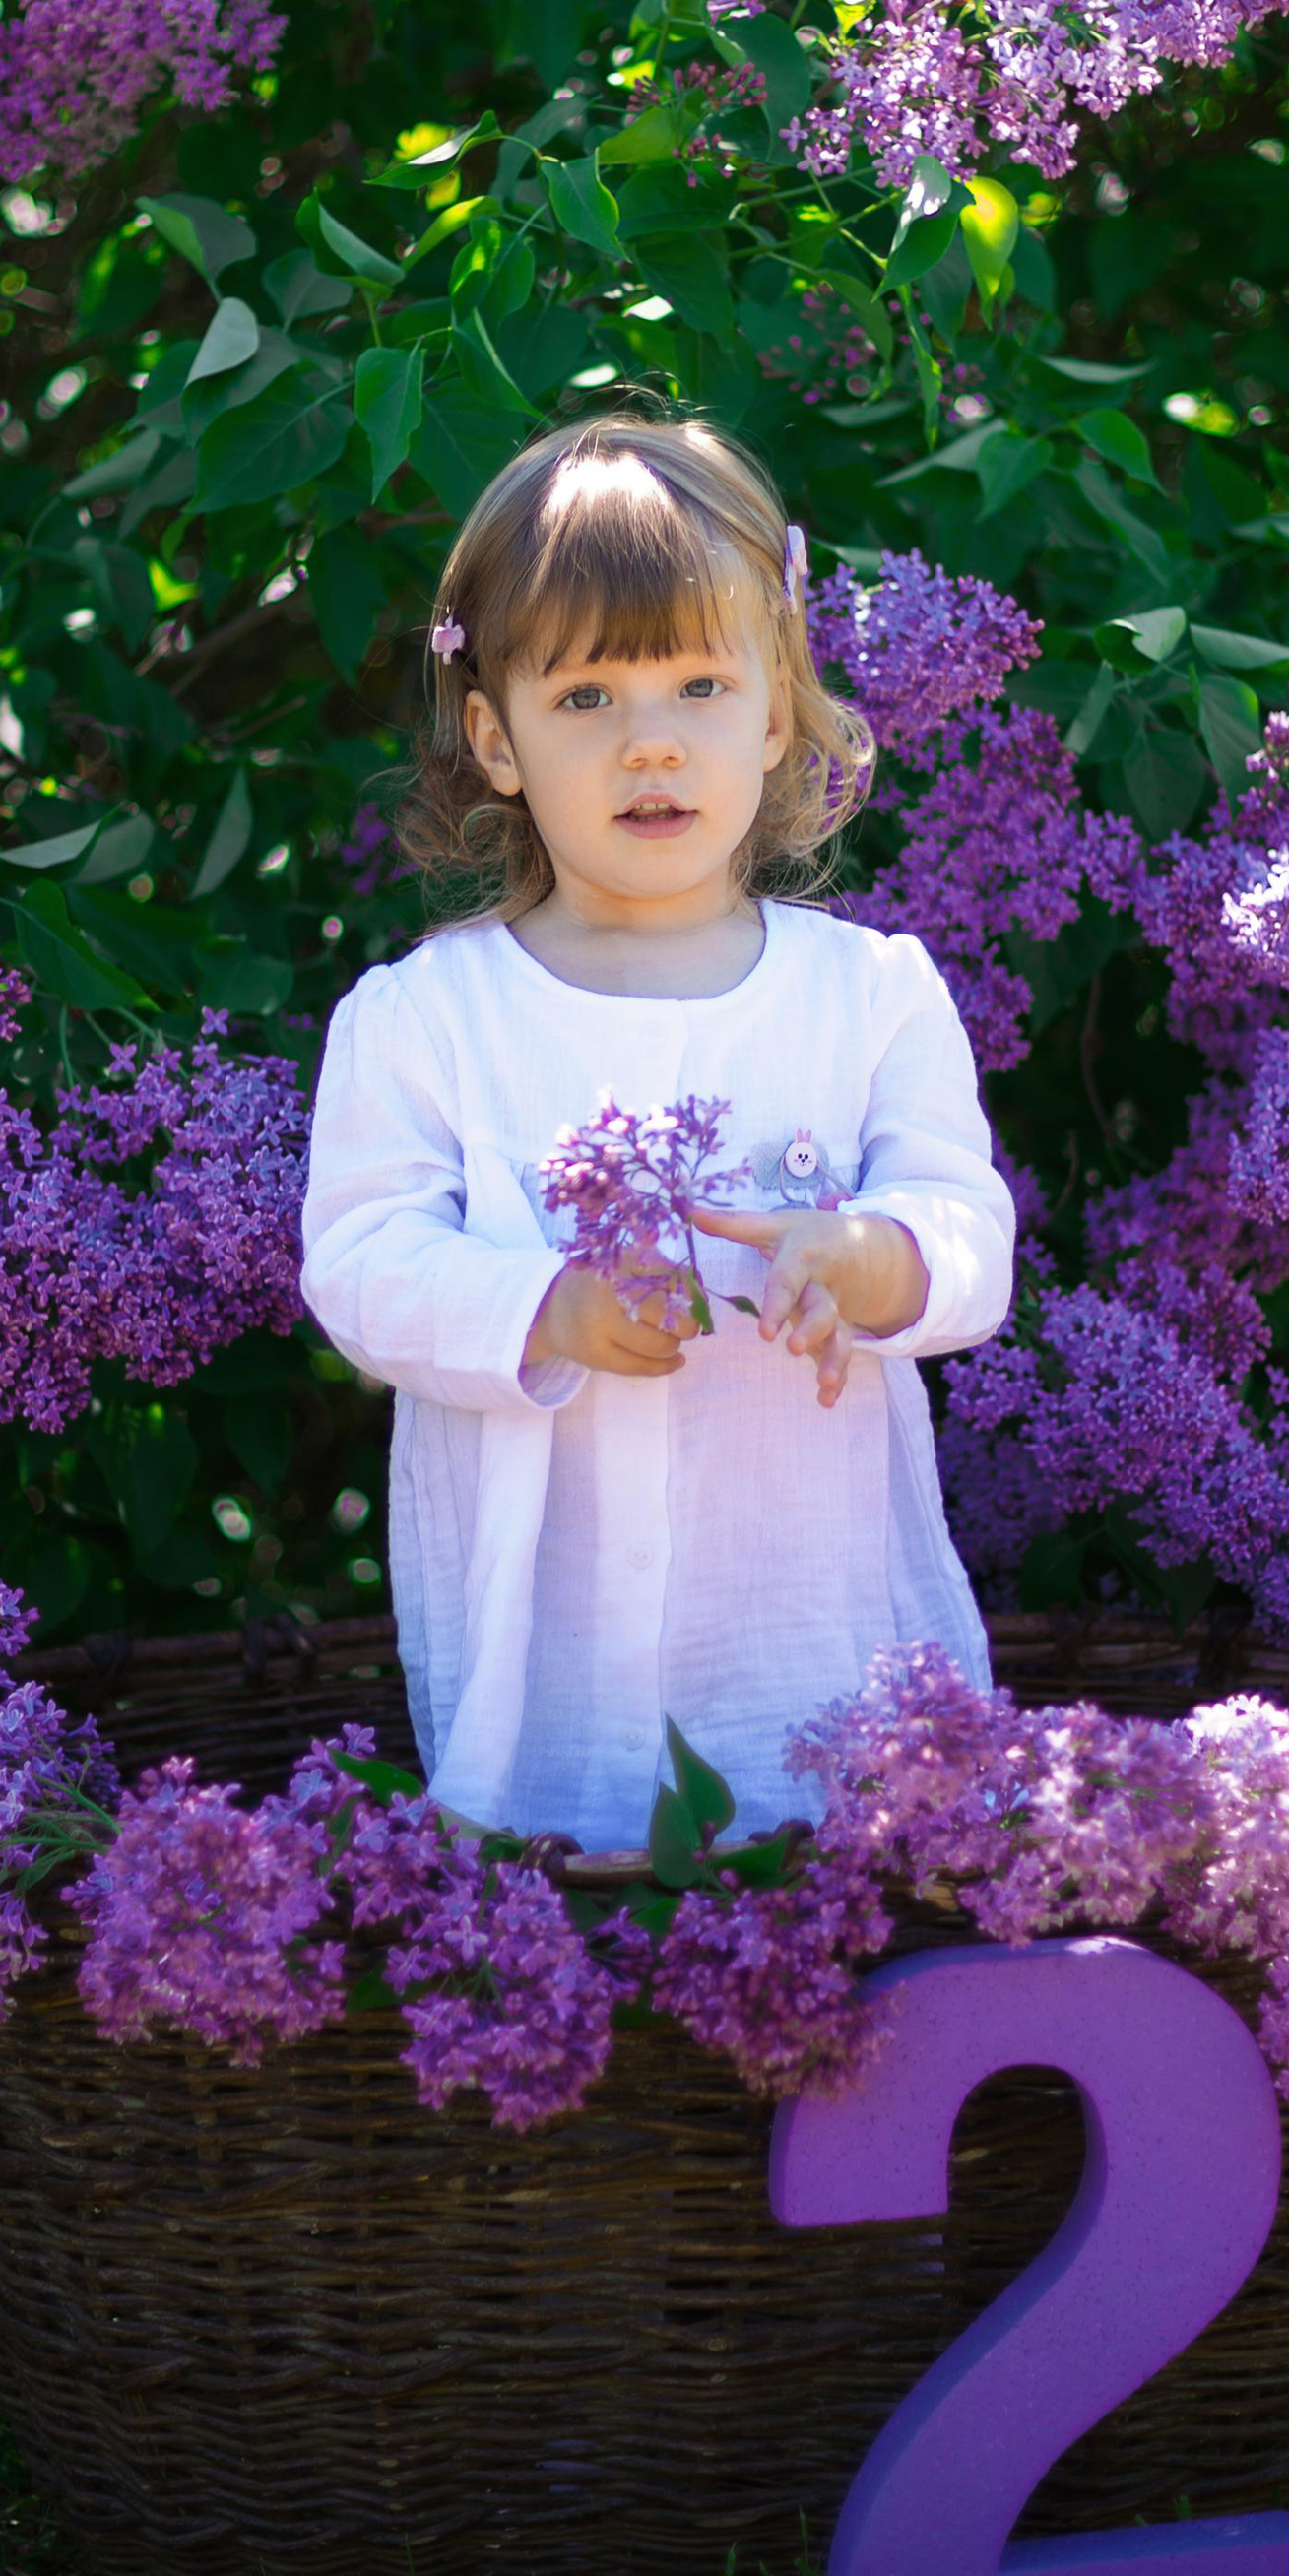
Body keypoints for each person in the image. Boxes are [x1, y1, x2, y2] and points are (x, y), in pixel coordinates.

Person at [299, 412, 1015, 1849]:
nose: (650, 742)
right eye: (586, 700)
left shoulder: (866, 995)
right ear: (496, 737)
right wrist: (542, 1307)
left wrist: (873, 1260)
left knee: (844, 1944)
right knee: (583, 1947)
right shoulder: (429, 1018)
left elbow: (969, 1233)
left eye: (699, 682)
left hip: (821, 1633)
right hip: (551, 1654)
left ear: (771, 714)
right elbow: (361, 1266)